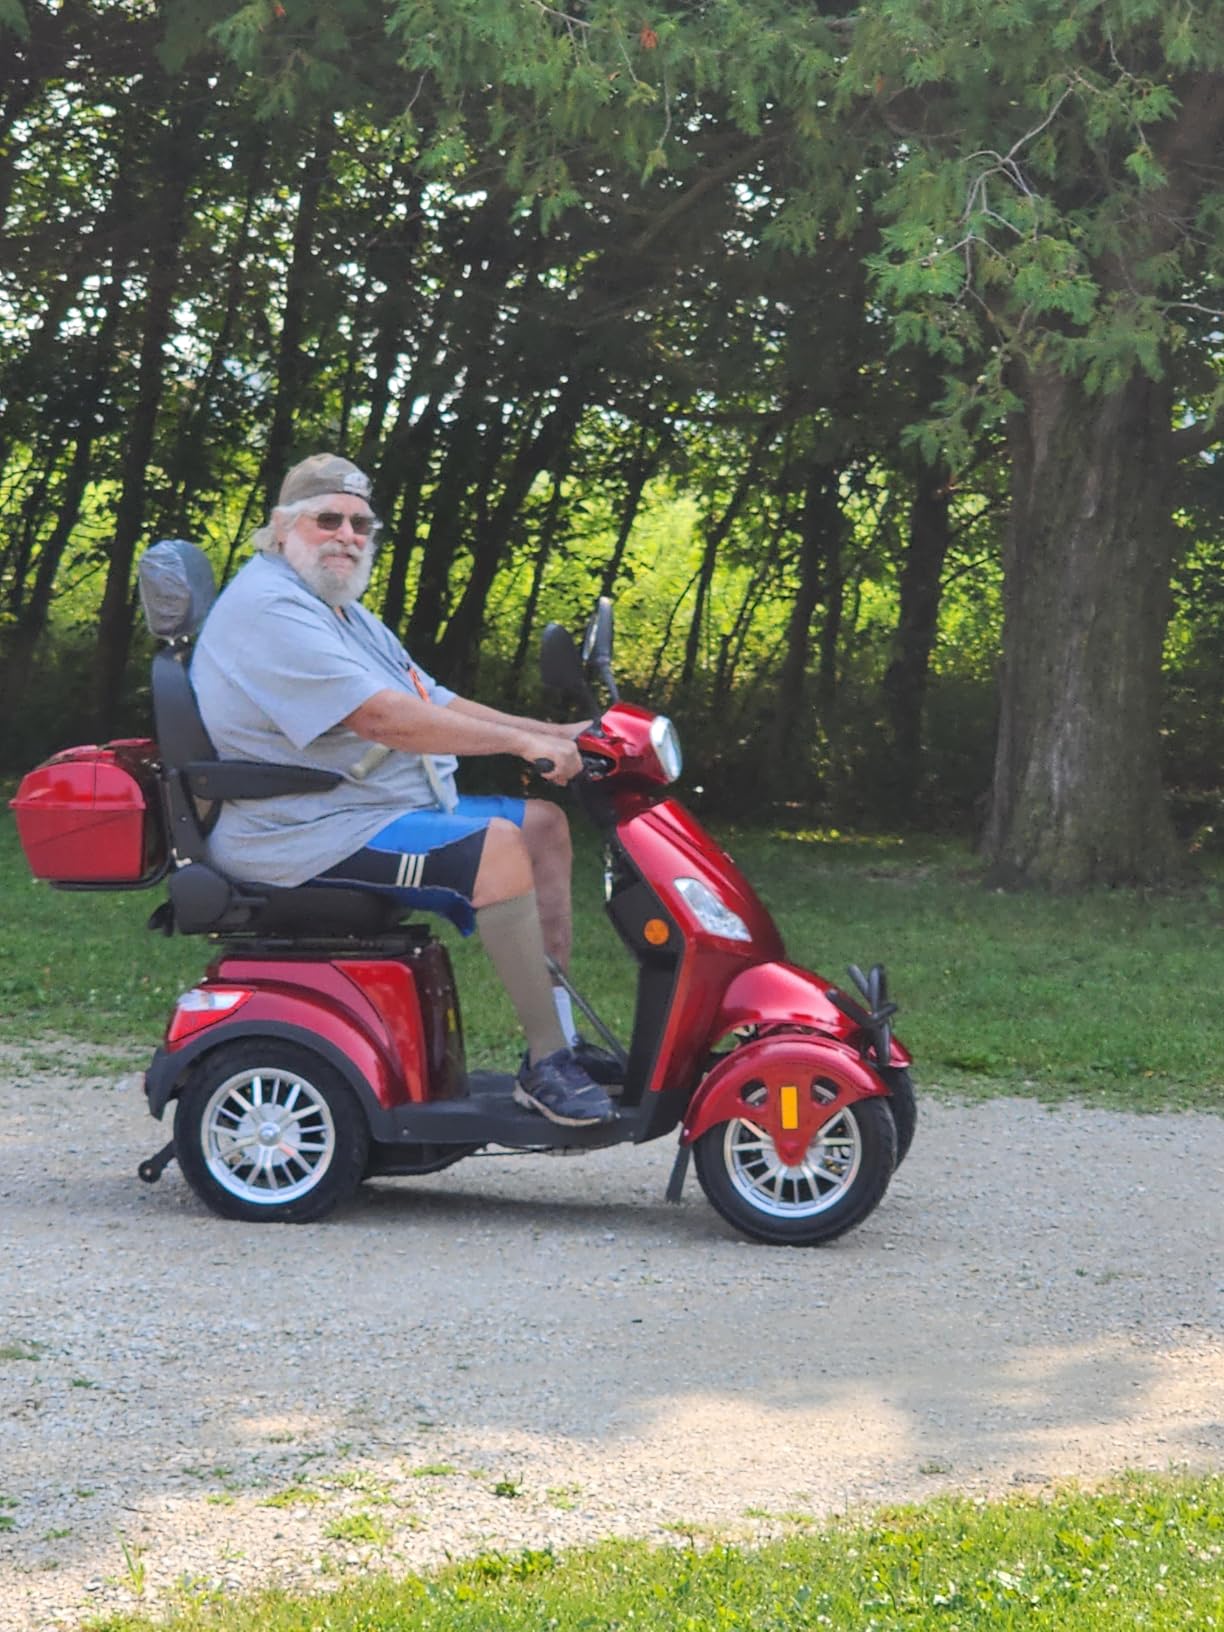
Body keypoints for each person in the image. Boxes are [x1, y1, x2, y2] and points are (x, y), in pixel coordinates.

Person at [191, 452, 616, 1128]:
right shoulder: (270, 609)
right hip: (301, 833)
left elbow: (430, 696)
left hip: (367, 811)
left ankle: (562, 1039)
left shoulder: (337, 609)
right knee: (500, 846)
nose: (347, 535)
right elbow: (381, 717)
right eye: (326, 519)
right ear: (281, 528)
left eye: (361, 523)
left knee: (542, 827)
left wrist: (559, 731)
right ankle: (544, 1067)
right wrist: (521, 745)